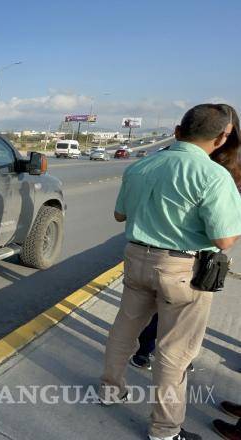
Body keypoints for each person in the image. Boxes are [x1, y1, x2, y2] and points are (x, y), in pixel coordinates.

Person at [100, 104, 241, 440]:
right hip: (182, 269)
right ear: (222, 137)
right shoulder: (213, 175)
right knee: (174, 351)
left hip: (136, 259)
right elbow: (224, 239)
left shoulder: (141, 165)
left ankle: (110, 390)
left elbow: (120, 215)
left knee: (124, 330)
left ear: (178, 130)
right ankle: (165, 430)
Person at [130, 104, 241, 374]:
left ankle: (156, 360)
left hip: (194, 256)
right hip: (186, 255)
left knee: (169, 318)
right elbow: (225, 238)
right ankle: (155, 362)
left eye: (227, 132)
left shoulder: (225, 168)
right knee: (168, 317)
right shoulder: (211, 171)